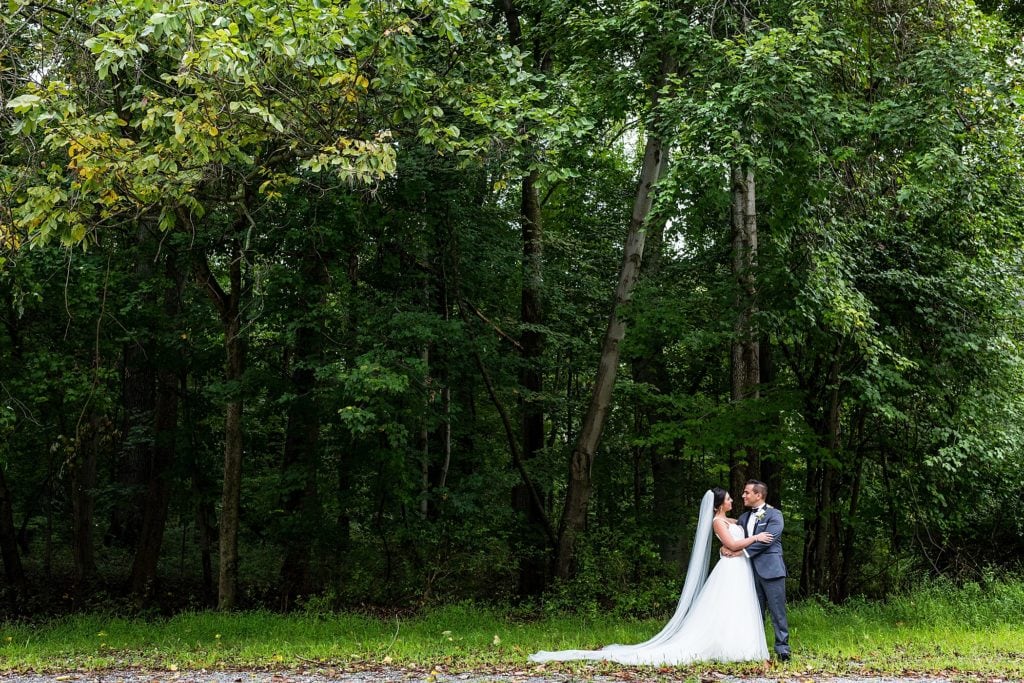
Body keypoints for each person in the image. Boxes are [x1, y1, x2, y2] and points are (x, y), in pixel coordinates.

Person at [529, 488, 771, 665]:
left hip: (739, 569)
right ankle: (728, 647)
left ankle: (740, 647)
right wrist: (753, 540)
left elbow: (733, 541)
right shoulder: (718, 521)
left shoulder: (731, 519)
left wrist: (733, 546)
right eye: (729, 498)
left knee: (736, 608)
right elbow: (731, 542)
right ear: (720, 503)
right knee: (724, 607)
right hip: (729, 571)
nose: (733, 499)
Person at [735, 479, 790, 662]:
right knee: (753, 611)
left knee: (777, 612)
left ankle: (783, 650)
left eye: (747, 492)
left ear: (758, 495)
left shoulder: (775, 515)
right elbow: (734, 537)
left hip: (772, 570)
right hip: (748, 572)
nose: (743, 495)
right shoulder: (743, 518)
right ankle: (754, 649)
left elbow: (769, 540)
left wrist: (742, 553)